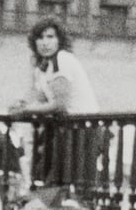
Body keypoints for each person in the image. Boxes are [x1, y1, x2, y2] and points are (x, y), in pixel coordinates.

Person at [16, 19, 100, 189]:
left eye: (50, 37)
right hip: (66, 130)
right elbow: (38, 96)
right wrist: (21, 104)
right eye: (40, 38)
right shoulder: (43, 67)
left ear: (59, 40)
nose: (45, 42)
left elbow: (60, 104)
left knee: (74, 185)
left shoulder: (62, 59)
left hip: (82, 129)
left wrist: (26, 111)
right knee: (55, 184)